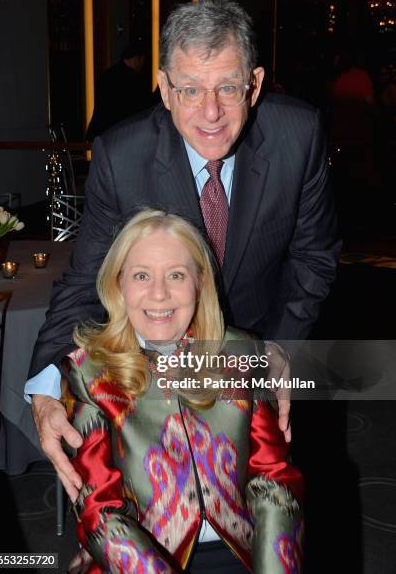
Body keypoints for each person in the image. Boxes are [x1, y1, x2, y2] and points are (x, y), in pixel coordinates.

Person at [27, 0, 340, 503]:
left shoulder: (297, 137)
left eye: (228, 88)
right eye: (190, 89)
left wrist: (281, 347)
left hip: (256, 360)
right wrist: (44, 391)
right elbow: (86, 281)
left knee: (260, 515)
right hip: (153, 380)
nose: (210, 112)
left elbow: (313, 258)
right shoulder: (121, 156)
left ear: (254, 85)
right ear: (166, 89)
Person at [62, 209, 304, 573]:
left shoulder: (242, 353)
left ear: (200, 283)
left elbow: (273, 481)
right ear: (118, 284)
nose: (159, 294)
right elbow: (99, 509)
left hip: (244, 551)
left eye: (176, 275)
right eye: (141, 275)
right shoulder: (88, 371)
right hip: (137, 558)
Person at [85, 39, 154, 141]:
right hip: (121, 135)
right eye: (142, 61)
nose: (142, 66)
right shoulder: (134, 80)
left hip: (101, 132)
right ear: (136, 58)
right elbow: (142, 108)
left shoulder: (107, 75)